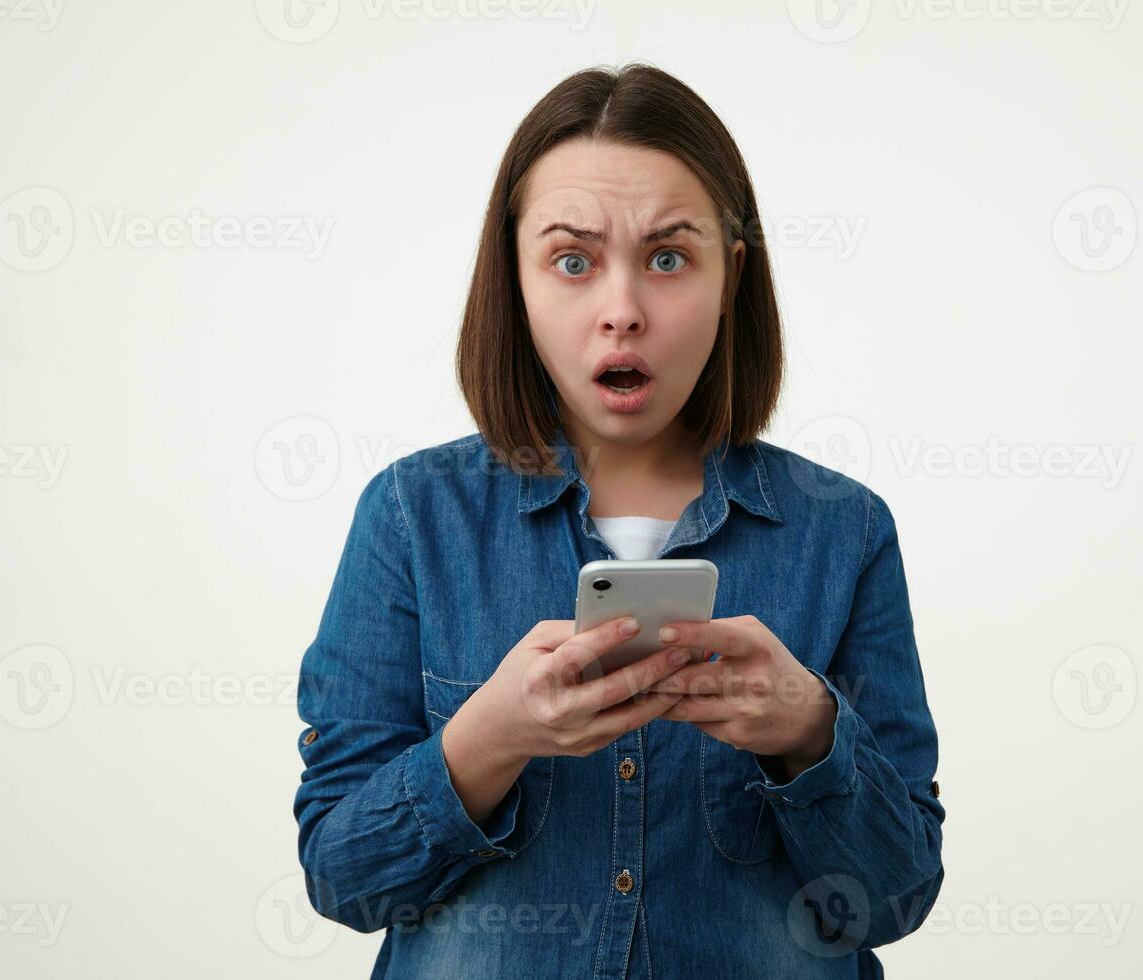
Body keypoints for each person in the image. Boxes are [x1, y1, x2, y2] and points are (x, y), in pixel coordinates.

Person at [293, 62, 944, 979]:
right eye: (572, 260)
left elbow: (895, 897)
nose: (622, 312)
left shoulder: (846, 532)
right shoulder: (412, 517)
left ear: (732, 277)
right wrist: (496, 734)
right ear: (514, 280)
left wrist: (809, 731)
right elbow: (344, 880)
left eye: (670, 258)